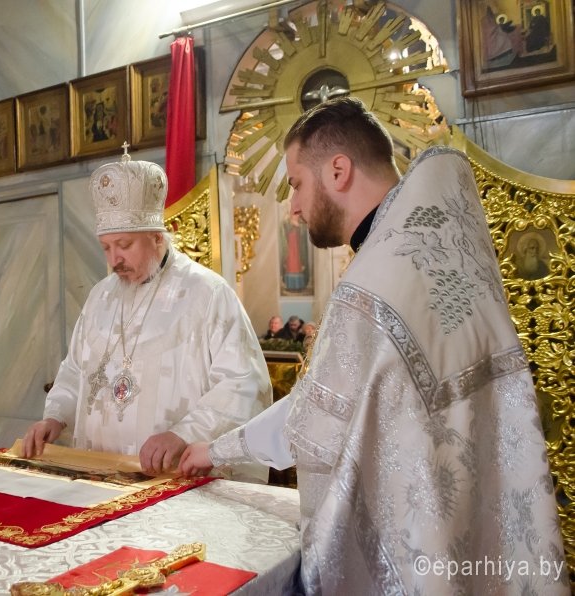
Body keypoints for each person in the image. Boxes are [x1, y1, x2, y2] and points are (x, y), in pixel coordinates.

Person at [179, 97, 568, 594]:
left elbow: (314, 421)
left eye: (296, 184)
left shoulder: (373, 287)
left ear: (338, 170)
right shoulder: (443, 248)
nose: (293, 207)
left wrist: (215, 449)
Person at [22, 152, 271, 478]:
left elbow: (243, 384)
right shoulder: (101, 297)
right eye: (106, 247)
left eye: (124, 244)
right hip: (99, 476)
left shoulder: (208, 294)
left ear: (156, 237)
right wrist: (55, 417)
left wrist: (183, 434)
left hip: (171, 480)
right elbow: (74, 371)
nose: (114, 259)